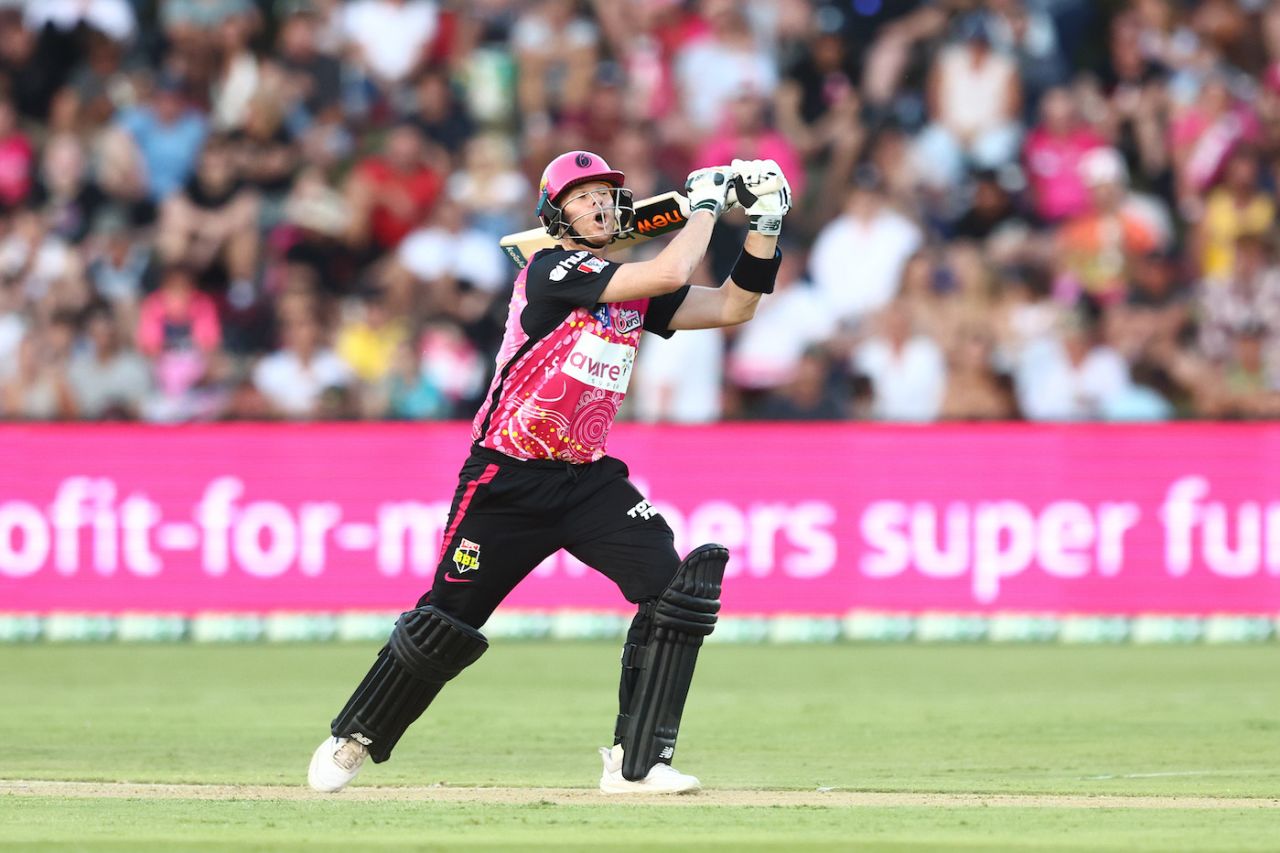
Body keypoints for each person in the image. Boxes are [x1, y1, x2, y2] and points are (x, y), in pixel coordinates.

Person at [308, 150, 790, 795]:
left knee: (673, 590)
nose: (597, 203)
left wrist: (766, 223)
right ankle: (355, 737)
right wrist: (704, 206)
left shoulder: (630, 294)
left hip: (584, 479)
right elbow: (672, 265)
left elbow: (732, 307)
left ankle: (637, 762)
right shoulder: (551, 268)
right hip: (505, 477)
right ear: (554, 213)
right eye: (581, 195)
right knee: (449, 618)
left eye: (605, 194)